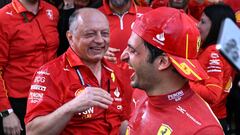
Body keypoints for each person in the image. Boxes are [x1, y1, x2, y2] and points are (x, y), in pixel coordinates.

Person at [25, 8, 133, 135]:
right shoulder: (50, 73)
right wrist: (72, 107)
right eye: (90, 34)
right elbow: (33, 132)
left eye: (104, 34)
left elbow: (122, 123)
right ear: (70, 37)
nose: (99, 40)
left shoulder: (117, 71)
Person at [120, 7, 224, 134]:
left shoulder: (203, 130)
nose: (123, 56)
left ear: (162, 62)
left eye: (132, 50)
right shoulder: (140, 92)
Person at [0, 0, 59, 134]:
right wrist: (6, 112)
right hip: (19, 101)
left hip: (51, 96)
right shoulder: (3, 17)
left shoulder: (52, 11)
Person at [189, 3, 236, 134]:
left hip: (207, 121)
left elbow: (212, 94)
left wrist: (183, 83)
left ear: (216, 26)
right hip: (216, 119)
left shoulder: (213, 52)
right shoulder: (227, 50)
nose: (198, 25)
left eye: (203, 22)